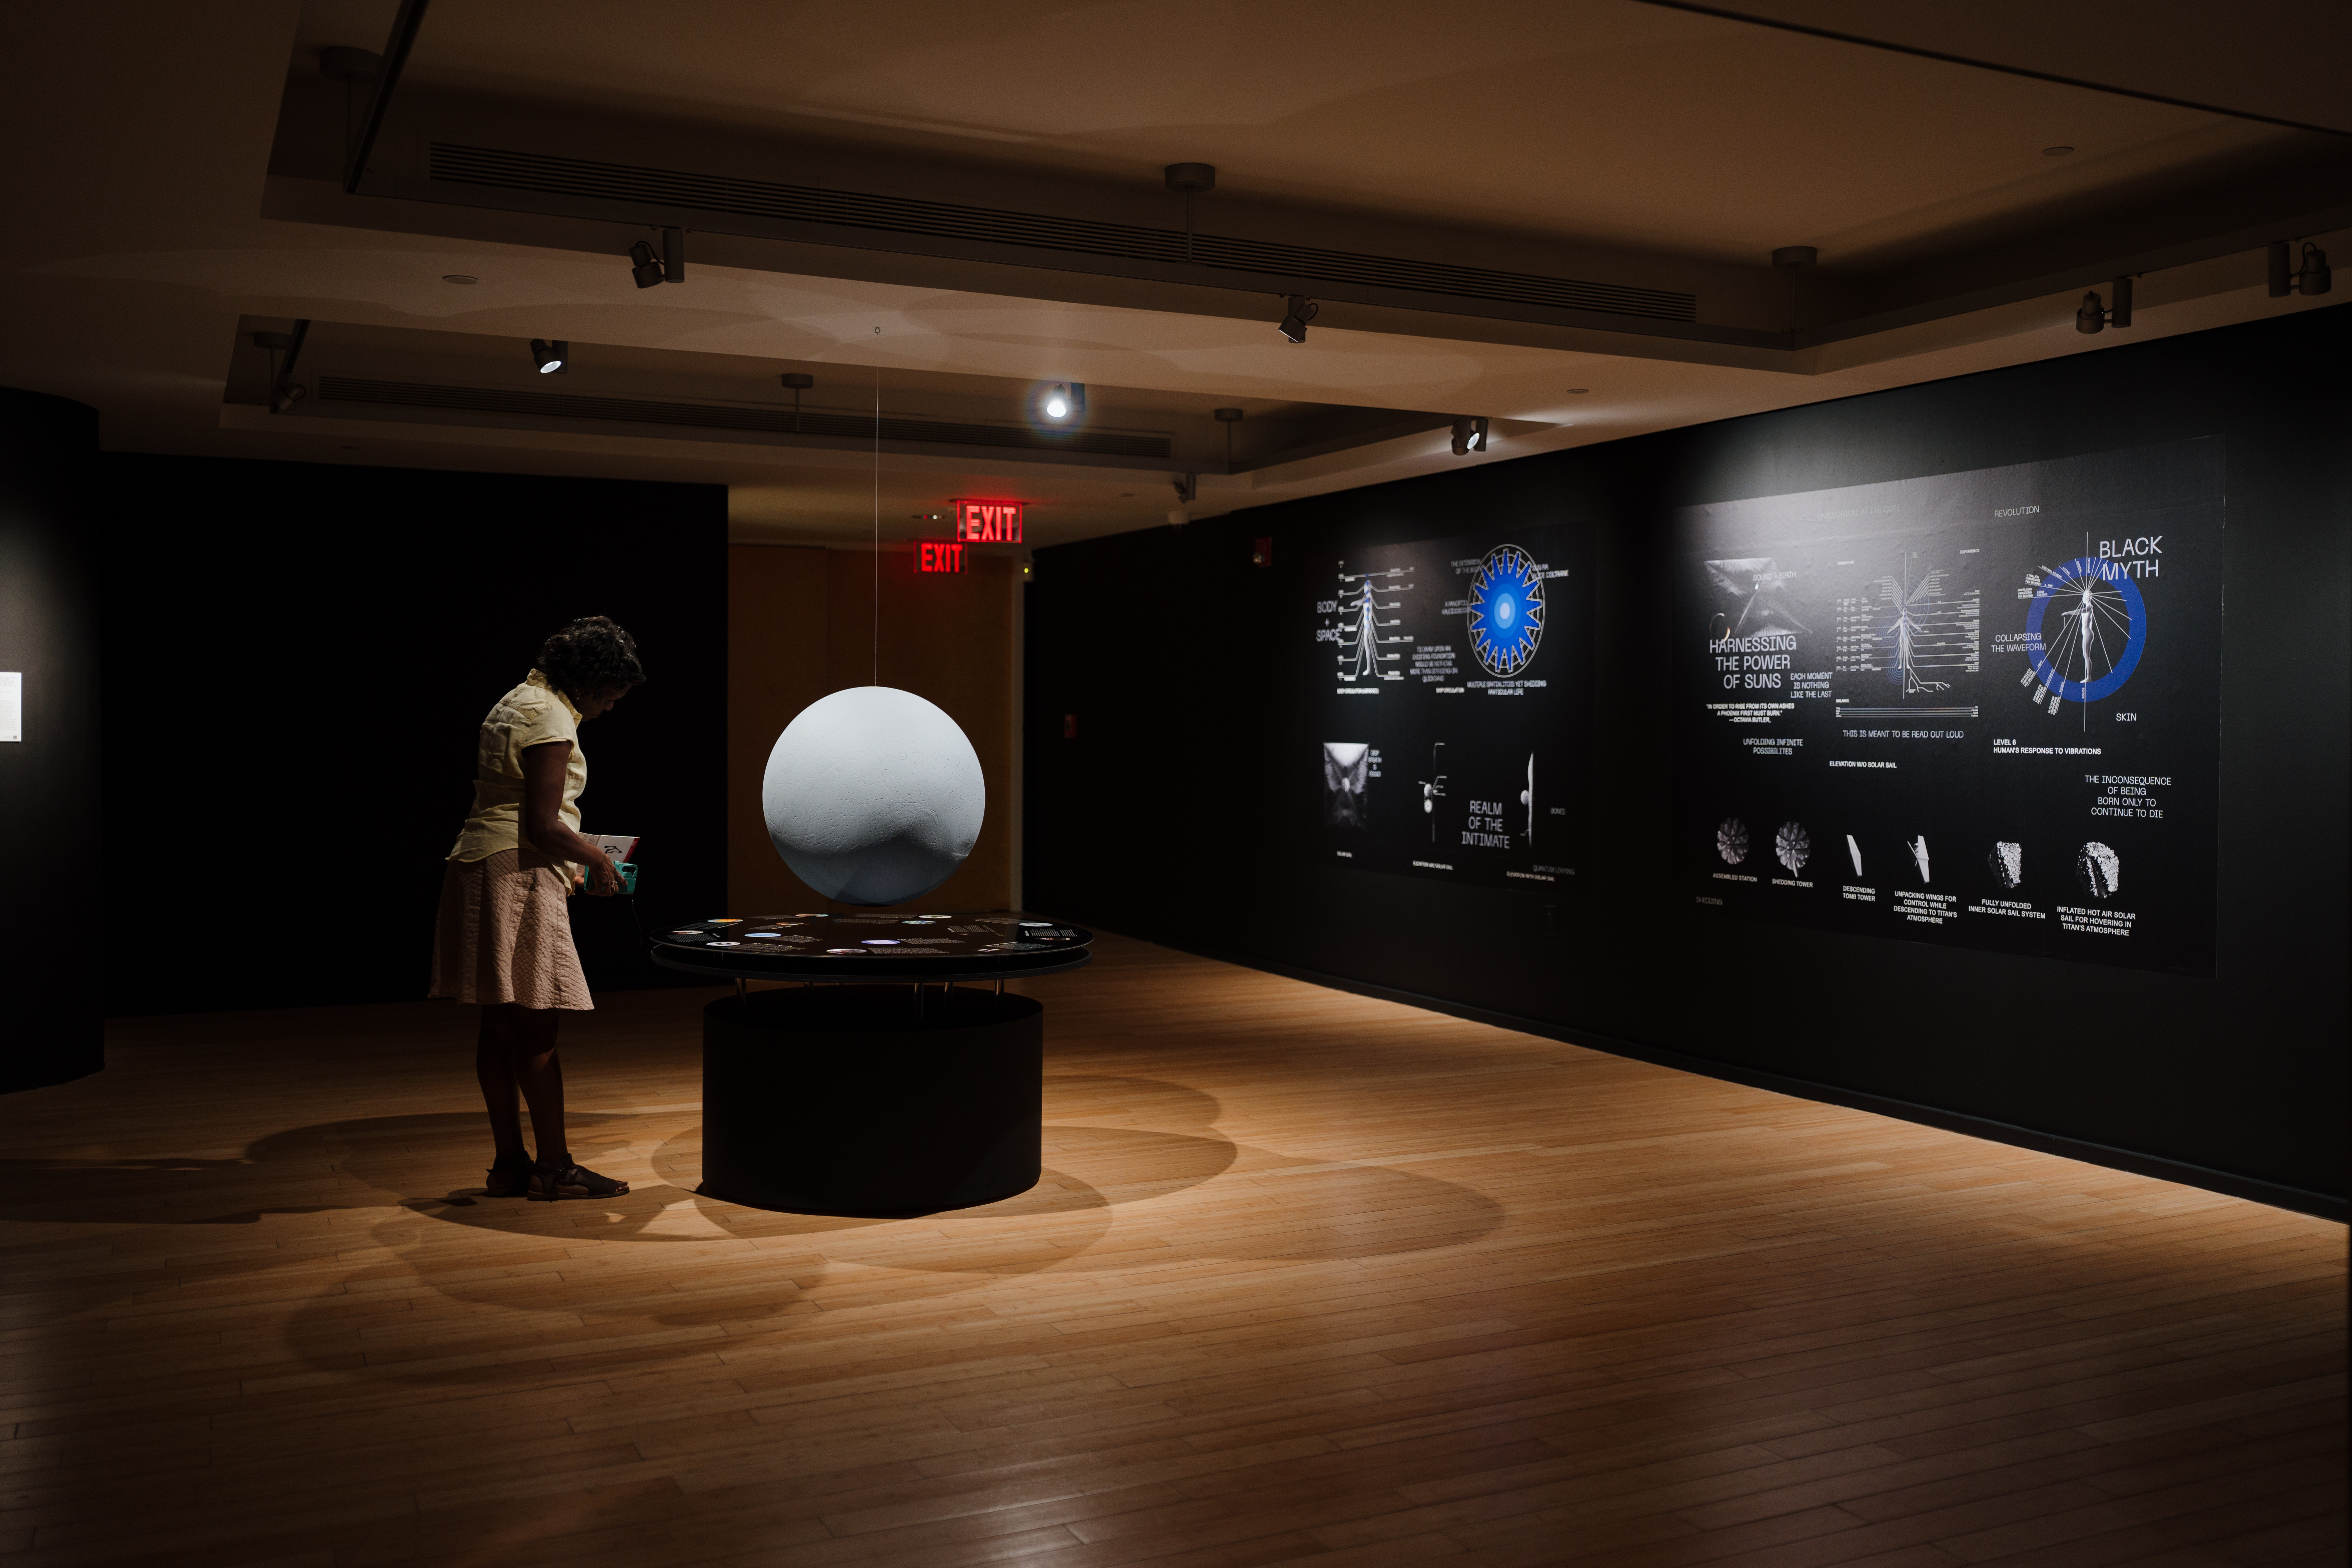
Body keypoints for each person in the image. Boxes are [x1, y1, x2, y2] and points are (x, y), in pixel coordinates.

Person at [430, 616, 644, 1200]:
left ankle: (508, 1166)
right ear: (591, 682)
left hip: (477, 862)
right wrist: (598, 861)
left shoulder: (514, 700)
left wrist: (576, 856)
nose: (609, 709)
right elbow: (543, 827)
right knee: (537, 1025)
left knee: (498, 1025)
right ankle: (555, 1169)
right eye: (609, 697)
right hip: (514, 872)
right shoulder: (550, 717)